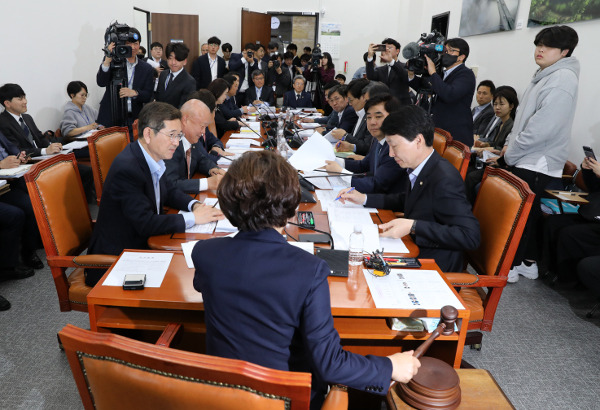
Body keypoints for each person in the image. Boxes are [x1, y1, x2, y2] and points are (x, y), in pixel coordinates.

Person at [192, 150, 421, 408]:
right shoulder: (309, 270)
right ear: (292, 206)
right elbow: (330, 364)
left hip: (221, 395)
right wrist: (389, 365)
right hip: (284, 400)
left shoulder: (204, 253)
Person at [87, 102, 224, 286]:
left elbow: (169, 191)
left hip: (143, 244)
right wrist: (193, 218)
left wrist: (195, 206)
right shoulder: (128, 169)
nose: (176, 142)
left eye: (179, 135)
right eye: (172, 136)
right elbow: (146, 223)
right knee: (191, 280)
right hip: (118, 259)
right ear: (148, 134)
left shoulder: (151, 157)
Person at [338, 105, 480, 272]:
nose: (391, 154)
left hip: (434, 268)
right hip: (412, 249)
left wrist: (413, 226)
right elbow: (406, 199)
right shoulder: (418, 166)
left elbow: (470, 236)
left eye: (394, 146)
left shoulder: (444, 179)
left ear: (418, 140)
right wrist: (364, 198)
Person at [500, 25, 580, 281]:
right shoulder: (545, 75)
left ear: (565, 51)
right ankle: (526, 263)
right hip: (530, 157)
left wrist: (510, 153)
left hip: (538, 161)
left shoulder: (562, 78)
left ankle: (511, 267)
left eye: (548, 46)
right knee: (529, 218)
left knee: (521, 219)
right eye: (538, 44)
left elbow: (541, 129)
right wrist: (510, 145)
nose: (540, 49)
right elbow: (524, 120)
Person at [325, 94, 406, 194]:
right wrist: (334, 161)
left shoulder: (396, 147)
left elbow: (377, 185)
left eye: (378, 116)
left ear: (393, 117)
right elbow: (363, 165)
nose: (372, 122)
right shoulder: (377, 140)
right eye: (369, 117)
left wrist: (341, 173)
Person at [542, 155, 600, 287]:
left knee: (570, 233)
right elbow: (594, 188)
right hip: (591, 214)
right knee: (554, 223)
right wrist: (587, 171)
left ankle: (570, 279)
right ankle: (553, 269)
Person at [409, 37, 476, 147]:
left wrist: (433, 74)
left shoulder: (466, 74)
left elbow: (449, 94)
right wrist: (411, 75)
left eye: (451, 50)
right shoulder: (443, 73)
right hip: (439, 132)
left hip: (456, 135)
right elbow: (425, 88)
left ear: (461, 57)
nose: (446, 53)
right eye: (445, 50)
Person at [465, 86, 519, 204]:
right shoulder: (501, 123)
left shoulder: (512, 125)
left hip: (501, 165)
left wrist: (490, 148)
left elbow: (505, 149)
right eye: (495, 104)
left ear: (511, 106)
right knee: (467, 169)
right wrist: (486, 144)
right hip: (490, 160)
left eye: (501, 104)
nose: (497, 107)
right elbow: (497, 143)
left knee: (471, 177)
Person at [96, 27, 154, 128]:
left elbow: (148, 95)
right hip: (111, 117)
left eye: (135, 43)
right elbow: (101, 82)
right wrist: (107, 60)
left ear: (139, 45)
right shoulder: (114, 61)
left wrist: (135, 93)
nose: (132, 47)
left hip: (135, 119)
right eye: (128, 44)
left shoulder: (147, 68)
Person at [0, 130, 41, 273]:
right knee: (15, 214)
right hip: (3, 183)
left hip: (8, 183)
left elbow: (11, 148)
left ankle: (29, 252)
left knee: (31, 204)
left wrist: (19, 158)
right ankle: (9, 265)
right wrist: (0, 164)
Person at [164, 99, 224, 193]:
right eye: (202, 126)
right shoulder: (170, 142)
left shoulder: (191, 138)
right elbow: (170, 184)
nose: (204, 132)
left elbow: (201, 159)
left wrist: (213, 169)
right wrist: (208, 183)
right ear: (185, 120)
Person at [366, 39, 411, 105]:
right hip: (385, 105)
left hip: (401, 106)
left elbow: (405, 76)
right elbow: (370, 76)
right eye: (384, 48)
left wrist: (391, 61)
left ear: (397, 51)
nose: (387, 50)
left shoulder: (405, 66)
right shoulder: (381, 69)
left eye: (389, 47)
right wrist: (370, 56)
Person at [334, 78, 372, 156]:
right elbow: (356, 138)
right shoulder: (359, 113)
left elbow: (367, 147)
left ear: (363, 97)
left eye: (351, 100)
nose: (350, 104)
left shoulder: (371, 117)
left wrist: (345, 136)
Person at [154, 42, 196, 108]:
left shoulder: (189, 81)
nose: (173, 62)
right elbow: (158, 97)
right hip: (159, 115)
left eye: (177, 59)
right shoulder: (163, 74)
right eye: (170, 58)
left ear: (185, 61)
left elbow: (184, 107)